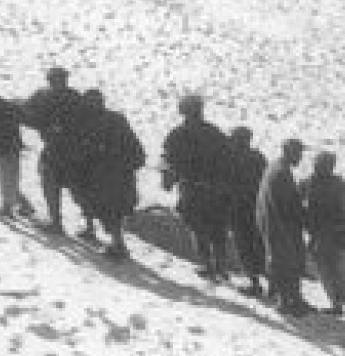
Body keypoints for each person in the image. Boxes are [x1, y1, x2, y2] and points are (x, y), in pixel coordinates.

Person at [160, 94, 235, 280]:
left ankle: (208, 265)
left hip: (192, 191)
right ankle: (221, 267)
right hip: (216, 191)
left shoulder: (177, 135)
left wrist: (168, 182)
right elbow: (228, 160)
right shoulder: (214, 132)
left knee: (198, 228)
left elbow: (169, 162)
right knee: (217, 229)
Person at [67, 90, 143, 261]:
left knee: (109, 209)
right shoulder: (115, 119)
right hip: (115, 172)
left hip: (103, 174)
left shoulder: (89, 122)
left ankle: (118, 245)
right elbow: (134, 146)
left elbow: (85, 147)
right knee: (110, 207)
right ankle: (107, 237)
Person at [21, 67, 83, 233]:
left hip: (64, 149)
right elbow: (27, 115)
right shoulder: (73, 96)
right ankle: (63, 223)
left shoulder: (45, 95)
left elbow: (26, 115)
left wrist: (43, 125)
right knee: (60, 185)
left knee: (56, 185)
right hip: (65, 149)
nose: (58, 83)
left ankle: (58, 223)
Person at [301, 151, 345, 319]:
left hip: (332, 235)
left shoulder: (334, 184)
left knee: (341, 272)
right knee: (328, 272)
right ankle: (339, 305)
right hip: (322, 236)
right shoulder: (310, 182)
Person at [257, 138, 310, 315]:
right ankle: (285, 301)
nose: (300, 157)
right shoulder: (281, 172)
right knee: (285, 262)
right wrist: (302, 204)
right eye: (298, 153)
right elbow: (287, 206)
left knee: (286, 260)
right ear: (288, 151)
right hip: (280, 225)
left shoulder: (277, 167)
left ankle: (291, 297)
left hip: (274, 222)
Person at [226, 127, 268, 297]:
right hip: (257, 208)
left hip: (239, 208)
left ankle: (254, 283)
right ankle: (271, 285)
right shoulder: (259, 158)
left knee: (244, 247)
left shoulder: (232, 159)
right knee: (260, 246)